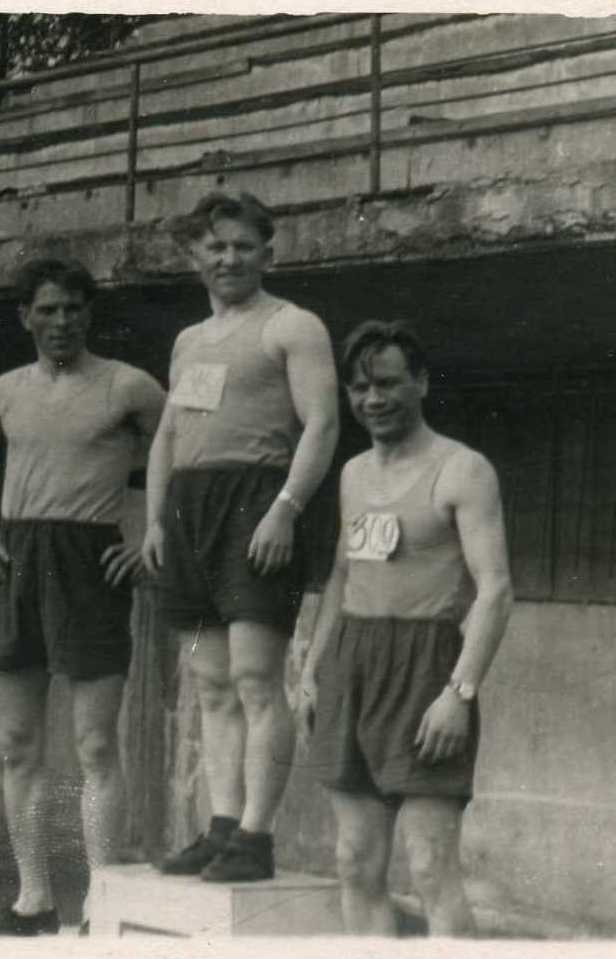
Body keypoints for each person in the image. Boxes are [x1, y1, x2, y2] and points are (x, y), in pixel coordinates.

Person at [0, 257, 166, 935]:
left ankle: (103, 904)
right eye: (47, 309)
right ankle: (33, 901)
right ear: (26, 317)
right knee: (17, 742)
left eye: (72, 308)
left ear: (89, 313)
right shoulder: (6, 390)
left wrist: (151, 533)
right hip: (17, 559)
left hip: (90, 562)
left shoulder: (128, 385)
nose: (61, 321)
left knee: (95, 743)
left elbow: (180, 458)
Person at [143, 191, 340, 882]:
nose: (228, 258)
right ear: (194, 254)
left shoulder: (293, 326)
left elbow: (322, 424)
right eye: (215, 246)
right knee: (210, 681)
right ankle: (222, 825)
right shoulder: (188, 341)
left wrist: (285, 508)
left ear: (266, 253)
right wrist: (155, 519)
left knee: (256, 678)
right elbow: (168, 435)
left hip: (256, 504)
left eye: (242, 246)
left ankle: (256, 836)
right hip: (190, 514)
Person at [298, 321, 514, 936]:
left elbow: (496, 590)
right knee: (355, 861)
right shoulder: (351, 474)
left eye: (388, 383)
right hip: (352, 663)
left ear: (420, 382)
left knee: (429, 866)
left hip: (426, 667)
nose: (374, 399)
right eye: (360, 387)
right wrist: (312, 669)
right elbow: (343, 575)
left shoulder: (463, 470)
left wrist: (459, 693)